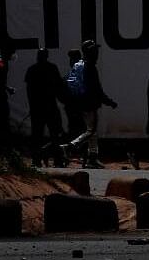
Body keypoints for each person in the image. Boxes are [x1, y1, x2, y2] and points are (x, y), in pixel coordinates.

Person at [60, 40, 117, 168]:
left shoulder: (79, 65)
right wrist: (109, 102)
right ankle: (69, 147)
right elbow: (97, 90)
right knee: (91, 131)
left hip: (79, 104)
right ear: (90, 52)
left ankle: (92, 158)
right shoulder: (90, 67)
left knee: (91, 132)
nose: (97, 53)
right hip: (89, 105)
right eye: (95, 51)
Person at [24, 47, 64, 167]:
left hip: (38, 107)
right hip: (50, 106)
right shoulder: (52, 68)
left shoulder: (32, 69)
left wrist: (32, 106)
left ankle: (37, 159)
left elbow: (29, 90)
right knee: (54, 134)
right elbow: (58, 87)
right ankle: (57, 159)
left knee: (38, 135)